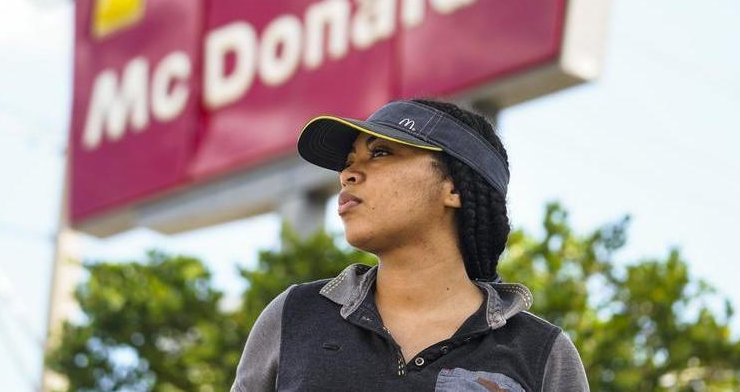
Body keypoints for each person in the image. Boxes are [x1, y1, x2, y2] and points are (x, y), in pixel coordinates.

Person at [232, 98, 589, 391]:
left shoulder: (542, 352)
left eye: (381, 153)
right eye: (348, 162)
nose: (348, 174)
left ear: (454, 188)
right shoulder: (294, 315)